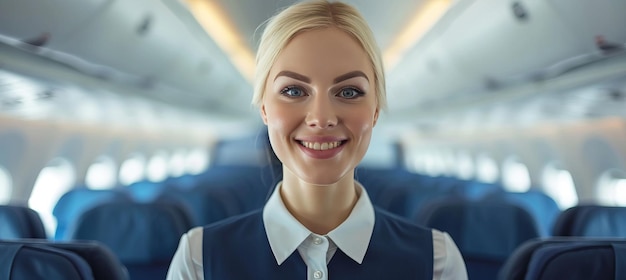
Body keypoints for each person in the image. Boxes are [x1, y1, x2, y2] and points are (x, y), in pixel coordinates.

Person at [166, 1, 468, 279]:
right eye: (294, 91)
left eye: (348, 92)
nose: (321, 118)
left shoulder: (438, 262)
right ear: (264, 109)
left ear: (375, 110)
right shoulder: (198, 260)